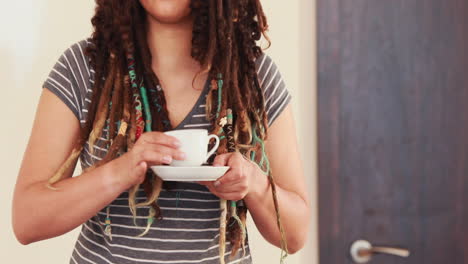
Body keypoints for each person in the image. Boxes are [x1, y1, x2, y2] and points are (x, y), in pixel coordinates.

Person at [12, 0, 310, 263]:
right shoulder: (83, 68)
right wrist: (121, 172)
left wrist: (254, 185)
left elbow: (295, 236)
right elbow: (27, 220)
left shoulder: (252, 76)